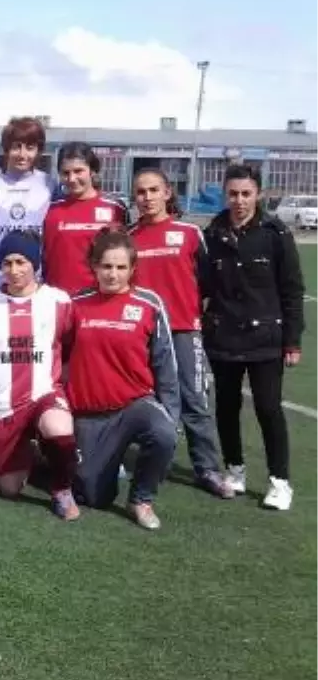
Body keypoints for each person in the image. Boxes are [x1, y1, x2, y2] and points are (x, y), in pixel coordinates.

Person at [202, 164, 305, 511]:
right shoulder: (213, 233)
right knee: (226, 408)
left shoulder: (276, 234)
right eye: (233, 194)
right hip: (223, 336)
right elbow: (201, 285)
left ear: (258, 194)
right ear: (224, 194)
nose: (240, 201)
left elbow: (292, 290)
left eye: (246, 194)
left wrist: (292, 341)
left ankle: (279, 481)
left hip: (266, 339)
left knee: (267, 408)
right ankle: (235, 470)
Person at [129, 168, 234, 498]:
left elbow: (206, 281)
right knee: (153, 400)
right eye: (141, 192)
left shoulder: (189, 233)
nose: (147, 197)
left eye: (153, 190)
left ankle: (207, 469)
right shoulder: (128, 237)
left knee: (195, 399)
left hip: (183, 330)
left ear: (167, 192)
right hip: (145, 332)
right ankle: (156, 462)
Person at [66, 231, 180, 529]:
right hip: (89, 415)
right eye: (106, 266)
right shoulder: (76, 304)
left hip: (134, 405)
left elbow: (165, 364)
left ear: (132, 269)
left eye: (120, 267)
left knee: (164, 434)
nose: (113, 274)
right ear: (94, 266)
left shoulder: (149, 304)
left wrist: (170, 414)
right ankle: (105, 463)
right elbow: (60, 357)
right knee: (93, 496)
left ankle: (141, 499)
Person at [0, 230, 80, 520]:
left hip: (44, 394)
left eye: (21, 261)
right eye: (7, 262)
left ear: (35, 263)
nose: (14, 270)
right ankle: (29, 452)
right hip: (5, 402)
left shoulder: (58, 301)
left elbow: (69, 345)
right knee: (9, 489)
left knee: (58, 427)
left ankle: (61, 489)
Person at [0, 116, 56, 290]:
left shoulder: (49, 185)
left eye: (30, 148)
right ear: (6, 149)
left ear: (38, 150)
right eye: (17, 147)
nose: (23, 154)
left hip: (31, 284)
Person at [41, 142, 126, 295]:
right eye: (65, 173)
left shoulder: (115, 208)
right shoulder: (50, 209)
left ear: (92, 171)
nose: (72, 179)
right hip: (58, 299)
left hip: (98, 299)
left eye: (78, 171)